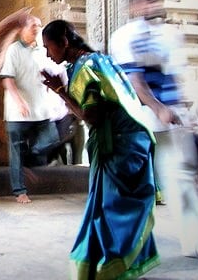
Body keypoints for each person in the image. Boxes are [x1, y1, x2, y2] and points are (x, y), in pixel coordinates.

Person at [41, 19, 160, 279]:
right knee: (113, 205)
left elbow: (91, 116)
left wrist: (61, 92)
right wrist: (60, 88)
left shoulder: (86, 68)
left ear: (64, 42)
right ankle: (121, 265)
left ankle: (110, 266)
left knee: (112, 208)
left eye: (49, 47)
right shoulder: (97, 60)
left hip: (118, 144)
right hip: (128, 140)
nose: (48, 54)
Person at [111, 0, 198, 261]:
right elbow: (135, 80)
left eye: (155, 1)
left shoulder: (171, 35)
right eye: (144, 2)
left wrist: (182, 111)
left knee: (181, 178)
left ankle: (196, 241)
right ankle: (123, 249)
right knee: (127, 186)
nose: (150, 7)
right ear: (134, 7)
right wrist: (157, 108)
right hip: (136, 118)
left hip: (169, 117)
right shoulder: (125, 36)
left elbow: (175, 77)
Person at [0, 15, 60, 203]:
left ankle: (29, 156)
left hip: (41, 109)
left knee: (52, 138)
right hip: (17, 113)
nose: (37, 29)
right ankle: (20, 191)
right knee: (16, 149)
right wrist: (19, 101)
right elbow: (7, 79)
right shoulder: (13, 51)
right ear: (21, 29)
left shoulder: (42, 51)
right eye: (33, 26)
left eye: (39, 26)